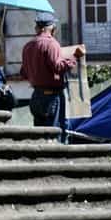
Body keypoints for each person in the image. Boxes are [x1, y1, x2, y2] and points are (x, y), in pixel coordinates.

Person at [20, 12, 84, 141]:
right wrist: (74, 57)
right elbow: (58, 67)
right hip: (51, 97)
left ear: (37, 28)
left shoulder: (28, 46)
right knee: (54, 135)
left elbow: (23, 73)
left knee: (40, 137)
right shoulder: (51, 44)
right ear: (52, 27)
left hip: (36, 96)